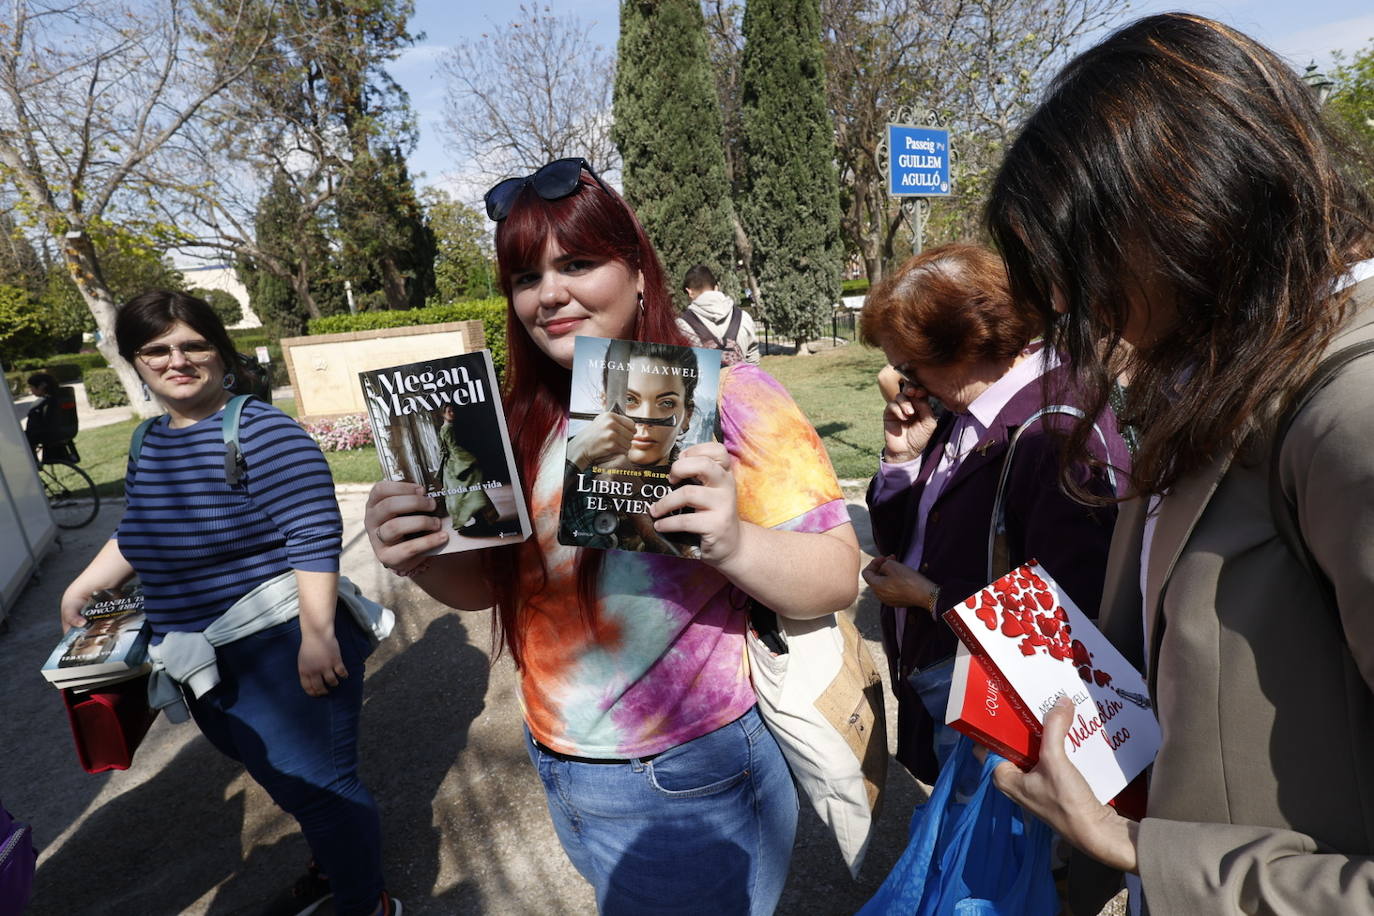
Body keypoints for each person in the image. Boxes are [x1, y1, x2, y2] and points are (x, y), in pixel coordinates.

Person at [364, 156, 859, 914]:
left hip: (687, 770)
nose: (549, 293)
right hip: (562, 758)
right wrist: (421, 556)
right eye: (526, 277)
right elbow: (493, 590)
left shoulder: (730, 394)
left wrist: (732, 543)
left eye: (578, 263)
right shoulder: (509, 419)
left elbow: (837, 574)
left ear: (636, 272)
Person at [983, 13, 1374, 915]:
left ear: (1193, 212)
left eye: (1091, 270)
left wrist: (1135, 848)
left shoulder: (1346, 411)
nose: (1084, 313)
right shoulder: (1221, 380)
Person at [58, 290, 399, 916]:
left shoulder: (263, 431)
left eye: (193, 344)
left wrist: (317, 634)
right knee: (284, 779)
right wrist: (83, 585)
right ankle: (334, 865)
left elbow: (314, 533)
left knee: (325, 791)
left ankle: (365, 902)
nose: (176, 360)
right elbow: (139, 527)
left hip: (279, 648)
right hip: (199, 658)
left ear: (221, 351)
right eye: (156, 349)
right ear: (136, 360)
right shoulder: (147, 440)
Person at [859, 243, 1128, 784]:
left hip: (1008, 720)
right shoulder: (971, 408)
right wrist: (904, 460)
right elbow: (909, 534)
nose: (905, 386)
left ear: (966, 344)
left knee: (998, 863)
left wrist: (931, 597)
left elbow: (1074, 615)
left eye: (909, 368)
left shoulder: (1055, 435)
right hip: (958, 687)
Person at [560, 339, 703, 555]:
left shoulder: (695, 492)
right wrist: (577, 453)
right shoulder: (574, 481)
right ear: (604, 403)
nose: (645, 419)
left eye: (666, 403)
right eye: (629, 399)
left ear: (687, 416)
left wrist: (633, 497)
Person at [436, 402, 511, 538]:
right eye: (449, 412)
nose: (452, 413)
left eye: (453, 411)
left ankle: (481, 520)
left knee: (468, 492)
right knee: (468, 491)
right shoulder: (447, 428)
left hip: (451, 464)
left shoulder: (445, 427)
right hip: (455, 464)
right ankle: (481, 521)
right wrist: (469, 459)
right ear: (442, 414)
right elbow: (452, 448)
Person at [677, 264, 760, 364]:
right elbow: (753, 363)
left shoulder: (681, 326)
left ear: (689, 291)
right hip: (741, 378)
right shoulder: (744, 318)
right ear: (716, 287)